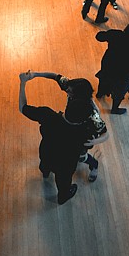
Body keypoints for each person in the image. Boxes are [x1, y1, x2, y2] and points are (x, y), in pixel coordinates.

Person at [18, 70, 108, 204]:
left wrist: (24, 82)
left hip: (47, 153)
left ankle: (45, 172)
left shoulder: (48, 115)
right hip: (66, 165)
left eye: (69, 92)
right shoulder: (84, 131)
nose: (67, 91)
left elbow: (23, 107)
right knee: (64, 181)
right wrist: (95, 140)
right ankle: (63, 196)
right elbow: (105, 134)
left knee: (45, 165)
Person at [95, 21, 129, 114]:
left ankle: (100, 94)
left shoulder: (116, 34)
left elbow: (99, 36)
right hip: (122, 77)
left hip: (108, 66)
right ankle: (115, 109)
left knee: (103, 80)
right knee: (118, 94)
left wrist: (107, 34)